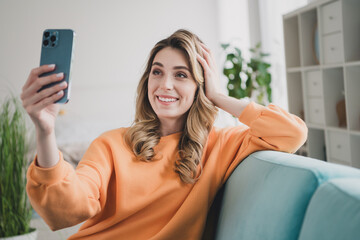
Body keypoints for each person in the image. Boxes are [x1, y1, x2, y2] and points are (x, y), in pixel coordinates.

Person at [22, 29, 307, 239]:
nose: (165, 85)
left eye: (181, 75)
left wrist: (218, 96)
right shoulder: (112, 143)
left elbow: (291, 133)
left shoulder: (220, 144)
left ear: (200, 85)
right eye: (157, 72)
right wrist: (46, 131)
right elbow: (64, 211)